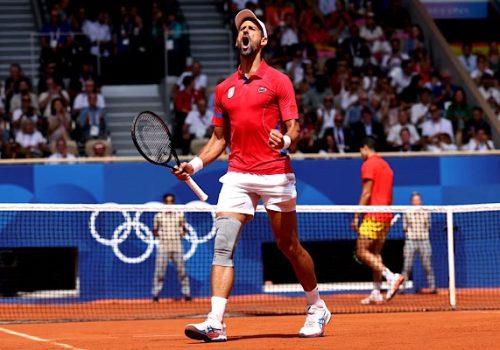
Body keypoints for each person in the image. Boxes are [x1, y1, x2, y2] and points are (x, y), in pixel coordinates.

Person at [174, 9, 331, 342]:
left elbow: (295, 129)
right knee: (222, 245)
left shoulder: (279, 82)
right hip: (238, 176)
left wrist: (285, 141)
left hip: (275, 174)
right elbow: (218, 139)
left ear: (263, 40)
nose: (244, 32)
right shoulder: (224, 89)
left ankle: (317, 306)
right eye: (240, 29)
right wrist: (195, 165)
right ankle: (215, 322)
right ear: (237, 40)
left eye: (251, 28)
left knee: (288, 245)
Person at [352, 137, 404, 305]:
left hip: (374, 214)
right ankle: (376, 291)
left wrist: (356, 216)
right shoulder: (387, 167)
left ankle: (391, 277)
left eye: (360, 150)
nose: (360, 154)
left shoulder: (368, 164)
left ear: (365, 147)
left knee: (361, 251)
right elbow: (389, 194)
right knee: (375, 253)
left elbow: (366, 193)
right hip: (386, 215)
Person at [152, 193, 191, 302]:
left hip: (177, 246)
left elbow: (184, 229)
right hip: (163, 247)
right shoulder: (158, 216)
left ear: (173, 202)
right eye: (167, 202)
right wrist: (161, 235)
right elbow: (154, 230)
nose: (169, 204)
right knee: (159, 272)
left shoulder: (179, 215)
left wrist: (181, 233)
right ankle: (156, 295)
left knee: (182, 271)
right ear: (164, 203)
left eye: (171, 201)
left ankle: (187, 294)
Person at [402, 192, 436, 294]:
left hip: (424, 241)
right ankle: (402, 288)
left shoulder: (426, 212)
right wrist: (410, 234)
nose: (416, 202)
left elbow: (428, 226)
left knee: (427, 265)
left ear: (421, 201)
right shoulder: (407, 212)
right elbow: (405, 227)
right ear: (411, 202)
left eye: (418, 200)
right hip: (410, 241)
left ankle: (432, 288)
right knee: (407, 266)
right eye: (414, 200)